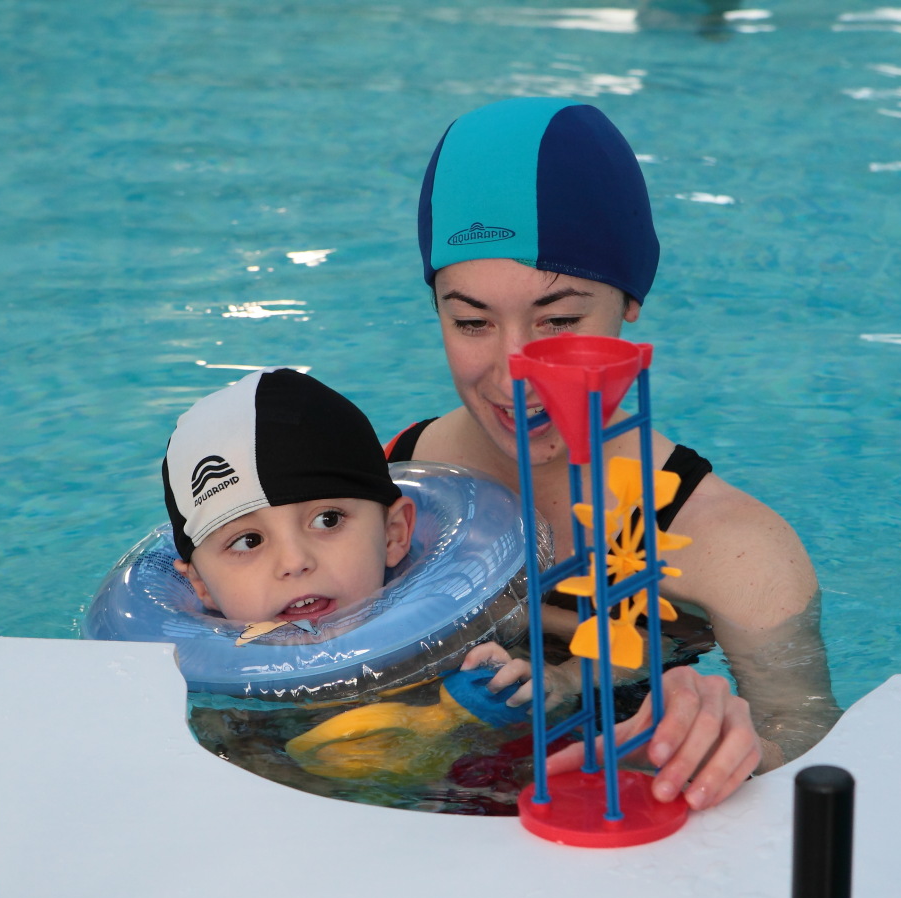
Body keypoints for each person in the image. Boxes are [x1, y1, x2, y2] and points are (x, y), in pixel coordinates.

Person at [389, 97, 840, 810]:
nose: (514, 373)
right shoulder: (385, 487)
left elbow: (814, 756)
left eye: (560, 320)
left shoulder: (737, 554)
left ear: (631, 302)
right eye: (470, 320)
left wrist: (731, 742)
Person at [162, 366, 531, 696]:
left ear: (394, 534)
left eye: (328, 519)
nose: (294, 562)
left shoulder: (466, 641)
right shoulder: (204, 695)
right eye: (248, 541)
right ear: (201, 585)